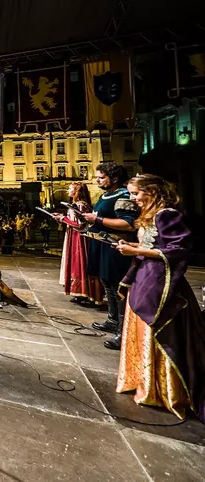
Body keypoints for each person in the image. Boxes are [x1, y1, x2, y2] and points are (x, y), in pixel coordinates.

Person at [114, 174, 205, 421]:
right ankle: (145, 381)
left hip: (159, 281)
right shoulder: (150, 216)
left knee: (159, 332)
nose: (133, 199)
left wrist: (136, 250)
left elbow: (178, 249)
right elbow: (154, 244)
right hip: (146, 277)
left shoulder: (167, 214)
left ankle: (166, 389)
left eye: (136, 194)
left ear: (152, 191)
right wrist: (133, 247)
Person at [82, 163, 139, 349]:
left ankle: (123, 332)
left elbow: (128, 224)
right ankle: (112, 319)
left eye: (101, 177)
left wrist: (97, 219)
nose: (97, 180)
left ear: (114, 178)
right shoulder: (106, 195)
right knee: (106, 283)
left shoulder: (123, 195)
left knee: (117, 287)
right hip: (101, 244)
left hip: (115, 246)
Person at [53, 182, 103, 305]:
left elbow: (80, 225)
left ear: (77, 191)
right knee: (80, 263)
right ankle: (83, 292)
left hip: (78, 238)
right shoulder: (83, 204)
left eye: (70, 189)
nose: (67, 191)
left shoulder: (78, 205)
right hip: (77, 236)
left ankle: (84, 292)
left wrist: (63, 219)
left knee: (79, 262)